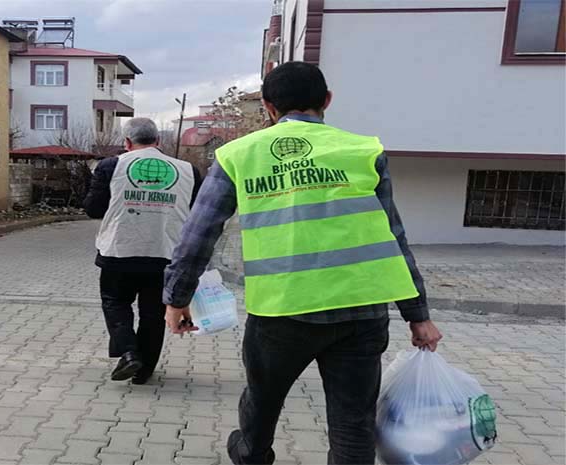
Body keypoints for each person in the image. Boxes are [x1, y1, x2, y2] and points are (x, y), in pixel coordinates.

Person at [162, 62, 443, 465]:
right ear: (327, 101)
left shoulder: (238, 155)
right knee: (353, 425)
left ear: (268, 107)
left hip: (281, 312)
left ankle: (251, 454)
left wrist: (177, 298)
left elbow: (199, 232)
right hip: (361, 313)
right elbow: (394, 237)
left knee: (262, 403)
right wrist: (418, 316)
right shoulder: (363, 151)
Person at [84, 117, 202, 385]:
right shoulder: (188, 170)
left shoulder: (111, 166)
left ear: (127, 142)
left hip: (119, 251)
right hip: (165, 253)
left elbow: (93, 208)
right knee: (153, 313)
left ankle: (128, 352)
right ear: (158, 141)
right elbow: (196, 213)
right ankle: (144, 370)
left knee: (116, 302)